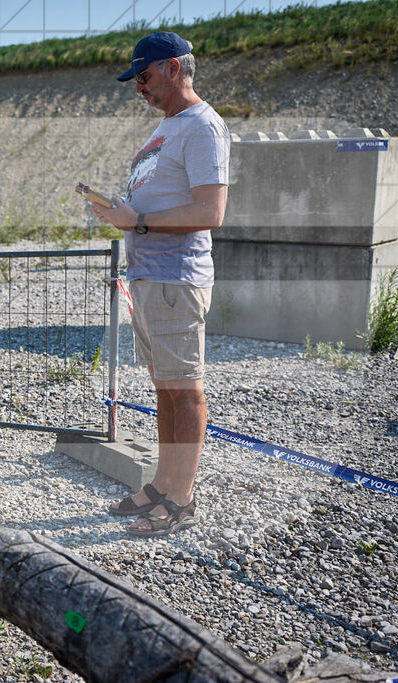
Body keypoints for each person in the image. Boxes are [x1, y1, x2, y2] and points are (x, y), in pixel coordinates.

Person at [87, 31, 231, 537]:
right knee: (165, 389)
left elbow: (210, 211)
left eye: (144, 77)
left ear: (173, 68)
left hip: (175, 276)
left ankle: (181, 498)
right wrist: (123, 215)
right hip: (151, 275)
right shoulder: (170, 128)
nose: (139, 88)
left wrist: (139, 224)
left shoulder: (202, 127)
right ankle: (164, 483)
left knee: (184, 390)